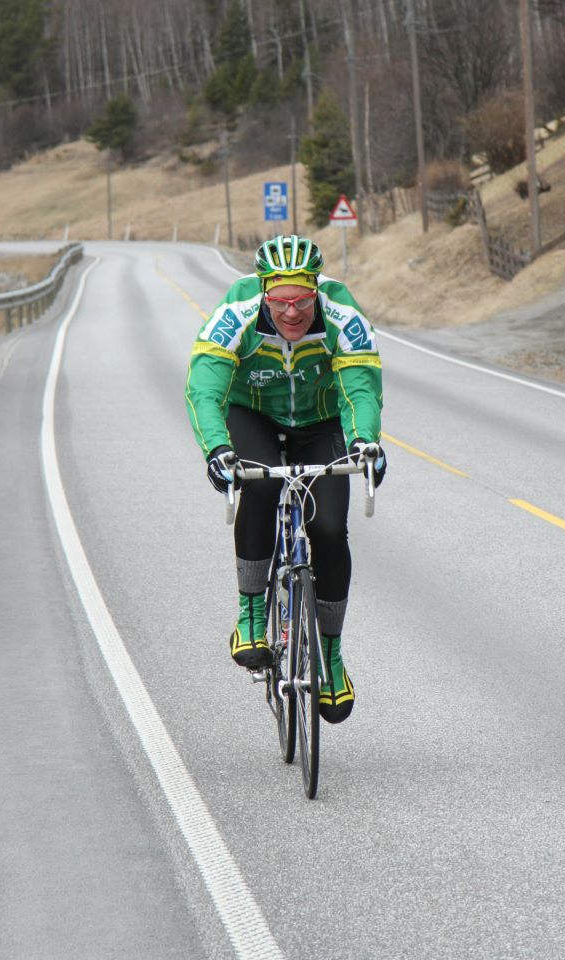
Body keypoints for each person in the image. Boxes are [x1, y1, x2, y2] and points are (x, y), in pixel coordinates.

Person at [185, 234, 385, 724]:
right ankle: (251, 615)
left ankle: (331, 657)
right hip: (251, 415)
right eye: (280, 301)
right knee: (259, 484)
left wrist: (365, 441)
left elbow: (360, 390)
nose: (291, 312)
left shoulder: (342, 316)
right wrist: (216, 449)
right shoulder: (236, 313)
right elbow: (204, 388)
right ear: (264, 293)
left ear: (317, 291)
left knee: (329, 529)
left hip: (320, 423)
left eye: (302, 300)